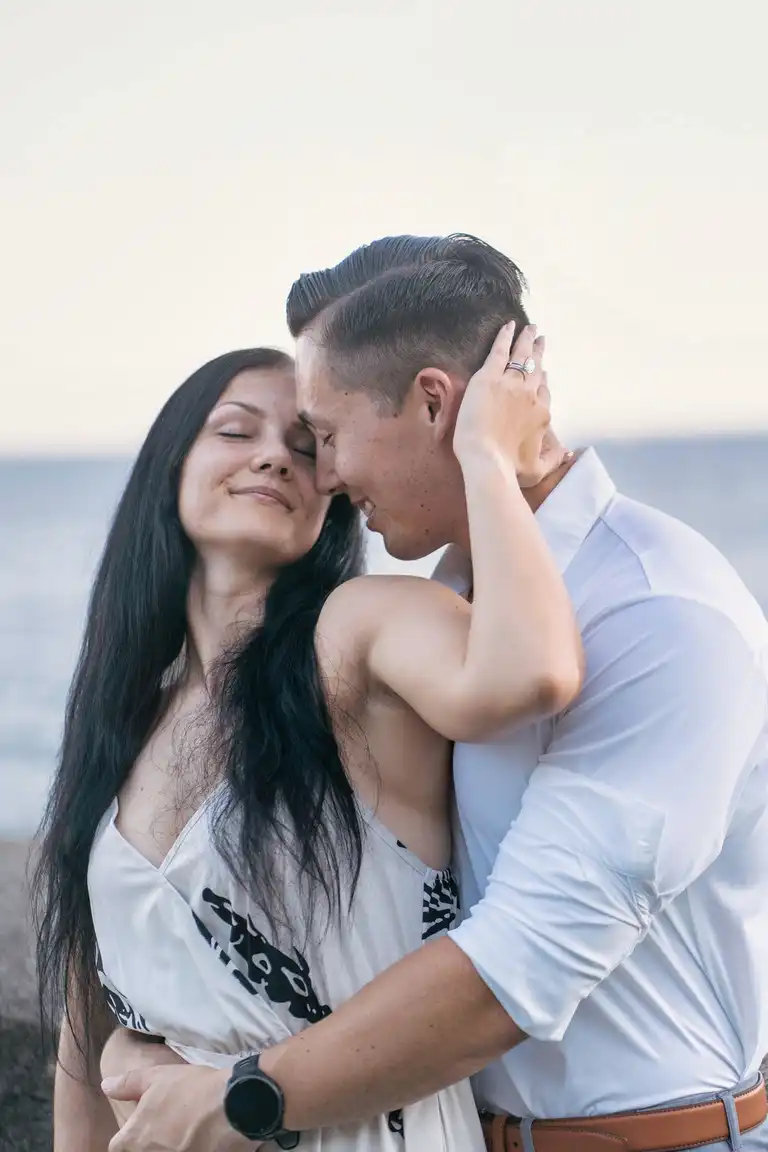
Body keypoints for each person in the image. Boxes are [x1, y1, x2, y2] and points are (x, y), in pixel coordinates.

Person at [101, 235, 768, 1152]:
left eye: (326, 437)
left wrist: (241, 1097)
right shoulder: (443, 610)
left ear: (432, 403)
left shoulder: (659, 613)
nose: (324, 478)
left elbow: (518, 967)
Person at [34, 339, 583, 1152]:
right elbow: (87, 1048)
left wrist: (486, 459)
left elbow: (531, 673)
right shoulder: (123, 722)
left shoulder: (351, 634)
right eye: (235, 431)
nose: (274, 458)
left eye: (306, 446)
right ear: (170, 462)